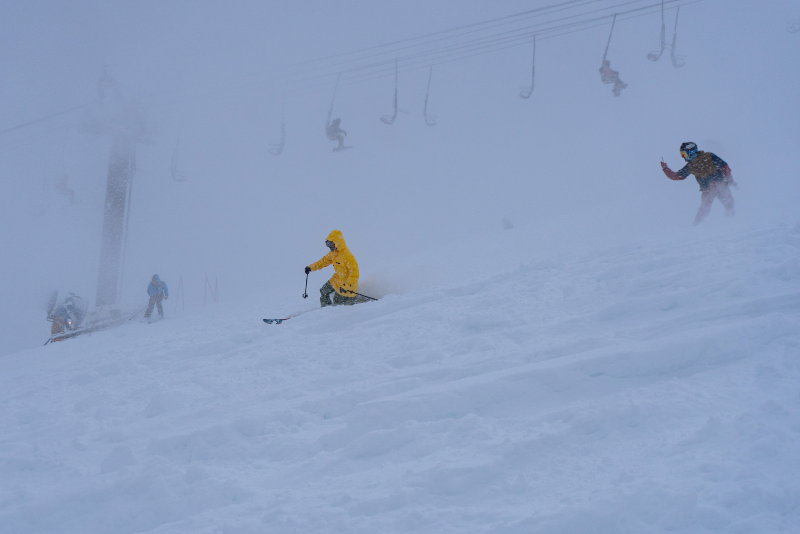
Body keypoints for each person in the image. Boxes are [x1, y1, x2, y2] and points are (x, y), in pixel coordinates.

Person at [661, 142, 736, 226]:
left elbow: (724, 166)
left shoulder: (706, 157)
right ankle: (698, 225)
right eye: (682, 155)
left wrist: (729, 177)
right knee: (708, 207)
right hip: (712, 187)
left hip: (717, 185)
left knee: (718, 203)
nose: (683, 157)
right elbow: (678, 176)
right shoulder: (692, 164)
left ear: (690, 152)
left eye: (683, 154)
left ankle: (731, 218)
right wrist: (665, 168)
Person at [305, 230, 365, 307]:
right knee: (324, 291)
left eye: (331, 243)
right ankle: (325, 310)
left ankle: (358, 301)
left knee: (337, 302)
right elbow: (323, 261)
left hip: (347, 285)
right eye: (328, 243)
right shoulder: (333, 253)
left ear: (338, 243)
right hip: (337, 279)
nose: (330, 246)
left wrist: (346, 286)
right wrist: (310, 268)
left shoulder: (347, 256)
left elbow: (355, 272)